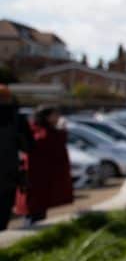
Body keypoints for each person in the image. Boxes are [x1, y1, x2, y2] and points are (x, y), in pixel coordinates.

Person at [14, 105, 73, 226]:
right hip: (35, 179)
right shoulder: (37, 130)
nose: (57, 118)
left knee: (39, 211)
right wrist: (61, 132)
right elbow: (45, 143)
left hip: (42, 180)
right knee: (33, 212)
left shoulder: (44, 130)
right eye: (55, 115)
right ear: (46, 117)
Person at [0, 85, 31, 231]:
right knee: (4, 212)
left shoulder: (17, 119)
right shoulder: (17, 119)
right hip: (8, 173)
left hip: (9, 173)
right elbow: (28, 146)